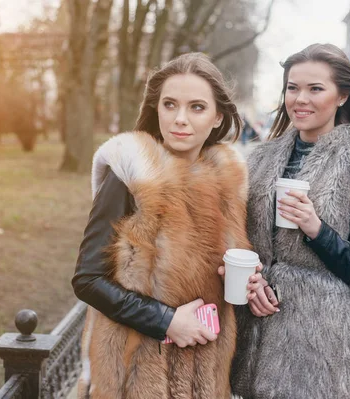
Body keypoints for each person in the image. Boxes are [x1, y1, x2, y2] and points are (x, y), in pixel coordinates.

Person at [72, 52, 250, 399]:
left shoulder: (230, 182)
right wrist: (165, 320)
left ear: (217, 117)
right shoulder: (132, 173)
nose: (180, 119)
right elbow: (87, 279)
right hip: (134, 377)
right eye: (170, 105)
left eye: (197, 107)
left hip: (206, 377)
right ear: (156, 109)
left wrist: (249, 280)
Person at [227, 43, 350, 399]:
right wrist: (253, 282)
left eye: (315, 88)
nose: (300, 99)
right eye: (292, 87)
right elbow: (240, 242)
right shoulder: (260, 160)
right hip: (250, 334)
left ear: (342, 95)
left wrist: (317, 230)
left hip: (312, 350)